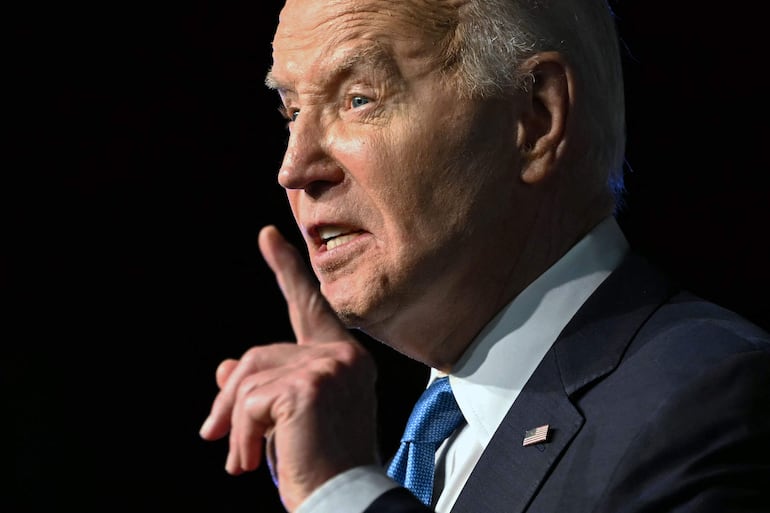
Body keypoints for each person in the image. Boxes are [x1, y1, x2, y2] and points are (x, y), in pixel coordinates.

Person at [198, 0, 770, 512]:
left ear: (536, 117)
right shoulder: (437, 439)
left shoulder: (709, 399)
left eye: (358, 99)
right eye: (291, 113)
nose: (294, 168)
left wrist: (344, 494)